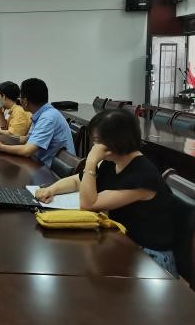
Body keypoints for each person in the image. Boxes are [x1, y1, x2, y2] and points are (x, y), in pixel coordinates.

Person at [35, 109, 177, 276]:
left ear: (115, 141)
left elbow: (89, 204)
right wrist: (51, 189)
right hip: (122, 242)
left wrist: (91, 162)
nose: (94, 146)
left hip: (150, 259)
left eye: (97, 141)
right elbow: (77, 181)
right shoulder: (113, 161)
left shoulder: (143, 176)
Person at [0, 78, 74, 167]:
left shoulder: (47, 118)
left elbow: (27, 151)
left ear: (25, 101)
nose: (19, 100)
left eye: (20, 97)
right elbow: (27, 139)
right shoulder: (41, 113)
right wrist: (5, 139)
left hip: (53, 171)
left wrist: (1, 147)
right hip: (42, 164)